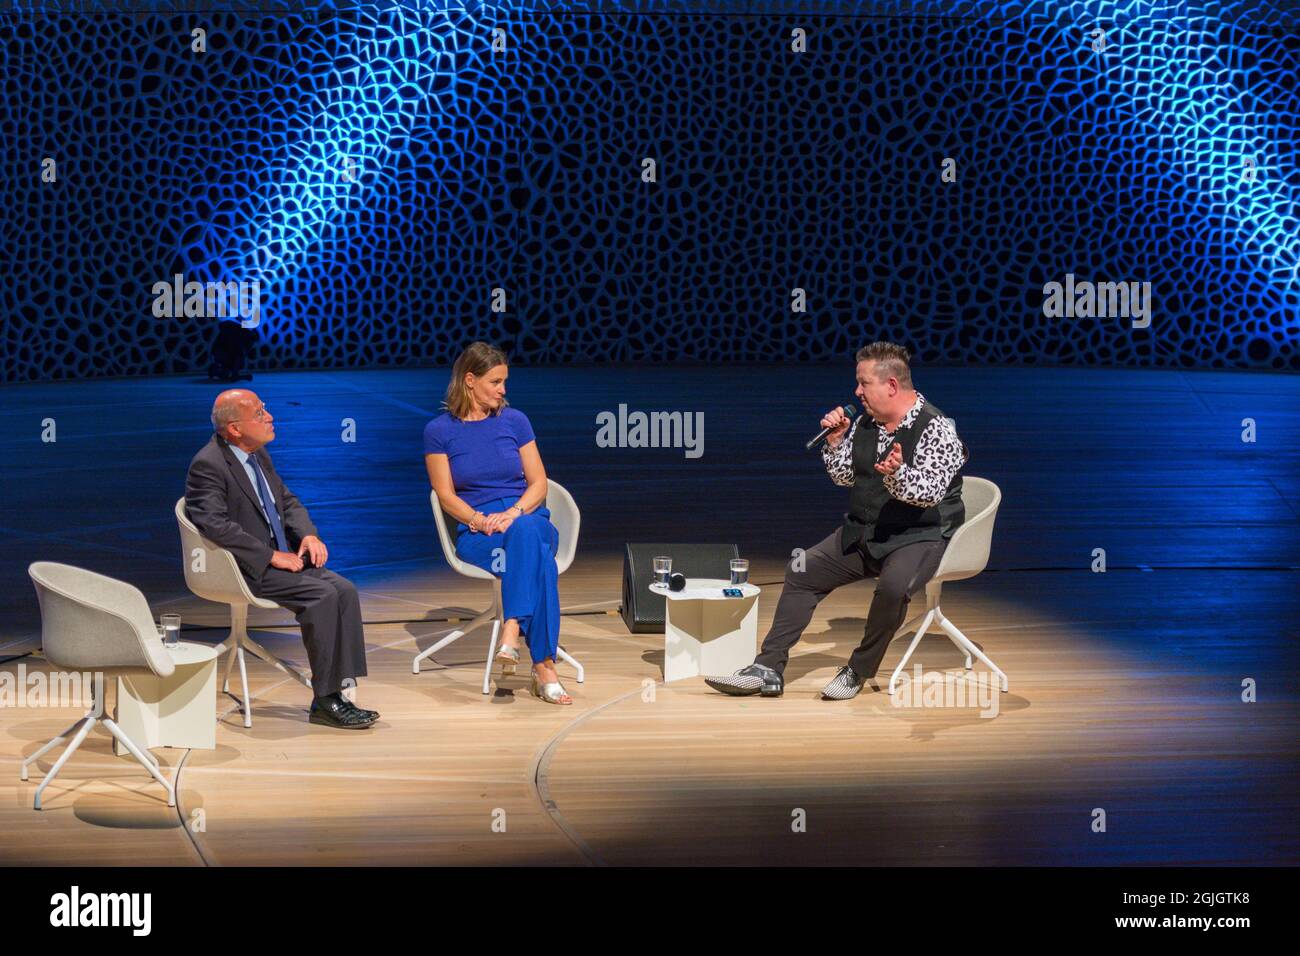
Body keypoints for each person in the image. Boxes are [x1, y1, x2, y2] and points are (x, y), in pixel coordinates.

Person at [705, 342, 969, 701]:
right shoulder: (865, 423)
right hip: (867, 530)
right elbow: (847, 477)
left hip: (919, 536)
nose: (856, 392)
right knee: (801, 571)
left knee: (893, 588)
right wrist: (836, 440)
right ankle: (767, 667)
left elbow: (928, 493)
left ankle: (858, 669)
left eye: (863, 383)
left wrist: (896, 474)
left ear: (891, 385)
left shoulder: (937, 429)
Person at [185, 389, 377, 729]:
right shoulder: (208, 464)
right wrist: (271, 555)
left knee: (344, 589)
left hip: (279, 558)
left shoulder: (258, 455)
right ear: (234, 428)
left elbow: (285, 501)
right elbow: (213, 523)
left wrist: (308, 534)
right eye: (259, 414)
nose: (269, 417)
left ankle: (341, 688)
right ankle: (325, 699)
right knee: (322, 595)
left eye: (265, 410)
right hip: (244, 567)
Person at [423, 342, 571, 704]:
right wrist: (480, 520)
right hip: (480, 532)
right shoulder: (439, 430)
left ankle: (512, 625)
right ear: (469, 381)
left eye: (505, 381)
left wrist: (515, 513)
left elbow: (538, 482)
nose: (503, 390)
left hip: (527, 516)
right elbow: (445, 495)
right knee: (539, 562)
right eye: (496, 382)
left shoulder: (515, 421)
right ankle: (544, 667)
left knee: (526, 532)